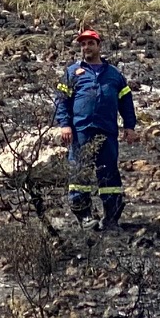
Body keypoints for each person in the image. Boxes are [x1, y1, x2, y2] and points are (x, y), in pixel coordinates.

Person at [55, 26, 138, 230]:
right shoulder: (73, 72)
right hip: (81, 131)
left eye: (90, 43)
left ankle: (111, 218)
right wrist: (65, 125)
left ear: (99, 46)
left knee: (109, 173)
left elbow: (126, 101)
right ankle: (84, 216)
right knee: (80, 174)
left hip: (107, 132)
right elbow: (62, 100)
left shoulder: (114, 75)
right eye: (83, 44)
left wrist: (130, 126)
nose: (86, 47)